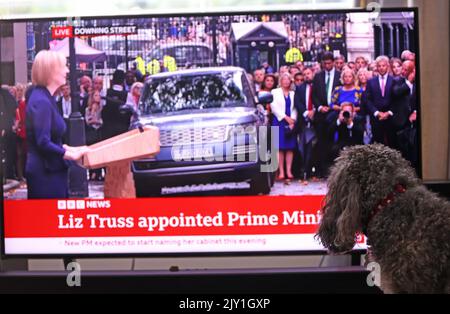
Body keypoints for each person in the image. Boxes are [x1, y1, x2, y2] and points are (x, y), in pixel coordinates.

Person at [25, 50, 88, 199]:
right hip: (45, 174)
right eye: (64, 66)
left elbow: (51, 137)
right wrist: (70, 155)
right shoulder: (42, 101)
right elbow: (43, 141)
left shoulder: (45, 97)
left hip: (50, 170)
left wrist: (71, 149)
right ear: (51, 71)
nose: (67, 70)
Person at [312, 52, 341, 177]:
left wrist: (334, 106)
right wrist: (319, 107)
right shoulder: (318, 76)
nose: (327, 65)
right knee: (322, 142)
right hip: (321, 114)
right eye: (325, 63)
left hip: (335, 113)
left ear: (333, 62)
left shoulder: (340, 76)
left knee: (334, 142)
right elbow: (314, 95)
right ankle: (322, 170)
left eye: (329, 63)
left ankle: (333, 169)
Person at [270, 73, 297, 182]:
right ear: (280, 81)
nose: (286, 81)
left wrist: (293, 120)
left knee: (290, 147)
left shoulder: (293, 93)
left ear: (291, 81)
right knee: (279, 147)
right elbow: (274, 107)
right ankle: (281, 171)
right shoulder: (274, 92)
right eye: (284, 79)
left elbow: (296, 107)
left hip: (291, 122)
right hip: (279, 121)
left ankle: (288, 171)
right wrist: (285, 118)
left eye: (288, 79)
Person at [365, 55, 396, 148]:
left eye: (384, 65)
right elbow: (367, 99)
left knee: (392, 144)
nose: (381, 68)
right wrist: (376, 112)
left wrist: (389, 113)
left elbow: (397, 100)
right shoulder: (371, 82)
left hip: (391, 118)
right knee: (377, 145)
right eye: (379, 66)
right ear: (376, 67)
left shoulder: (394, 80)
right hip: (376, 118)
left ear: (387, 66)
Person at [391, 60, 417, 167]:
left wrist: (415, 112)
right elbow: (396, 92)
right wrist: (409, 82)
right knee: (401, 151)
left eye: (406, 70)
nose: (403, 71)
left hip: (415, 122)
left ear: (412, 71)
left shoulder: (419, 81)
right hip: (401, 121)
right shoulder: (397, 81)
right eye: (403, 68)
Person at [294, 67, 317, 182]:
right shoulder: (300, 88)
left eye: (309, 73)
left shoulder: (317, 86)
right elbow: (297, 102)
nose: (307, 76)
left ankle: (312, 171)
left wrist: (314, 111)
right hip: (303, 121)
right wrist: (306, 112)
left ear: (313, 73)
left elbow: (320, 99)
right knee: (303, 147)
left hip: (316, 120)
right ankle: (303, 170)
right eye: (305, 74)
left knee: (314, 147)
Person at [101, 69, 130, 140]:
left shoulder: (104, 92)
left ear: (112, 80)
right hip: (123, 129)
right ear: (123, 81)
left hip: (107, 129)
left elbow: (101, 107)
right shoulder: (128, 95)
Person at [85, 90, 103, 181]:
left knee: (99, 153)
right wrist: (93, 111)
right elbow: (87, 121)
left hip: (99, 133)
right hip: (91, 133)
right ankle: (92, 172)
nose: (98, 97)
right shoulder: (87, 109)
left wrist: (95, 121)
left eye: (99, 95)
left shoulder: (102, 108)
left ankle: (98, 173)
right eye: (95, 95)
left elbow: (101, 121)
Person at [13, 83, 27, 181]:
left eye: (21, 90)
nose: (19, 92)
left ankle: (22, 174)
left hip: (23, 131)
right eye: (18, 90)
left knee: (23, 154)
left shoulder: (24, 103)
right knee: (18, 154)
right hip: (14, 131)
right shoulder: (12, 103)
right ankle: (19, 175)